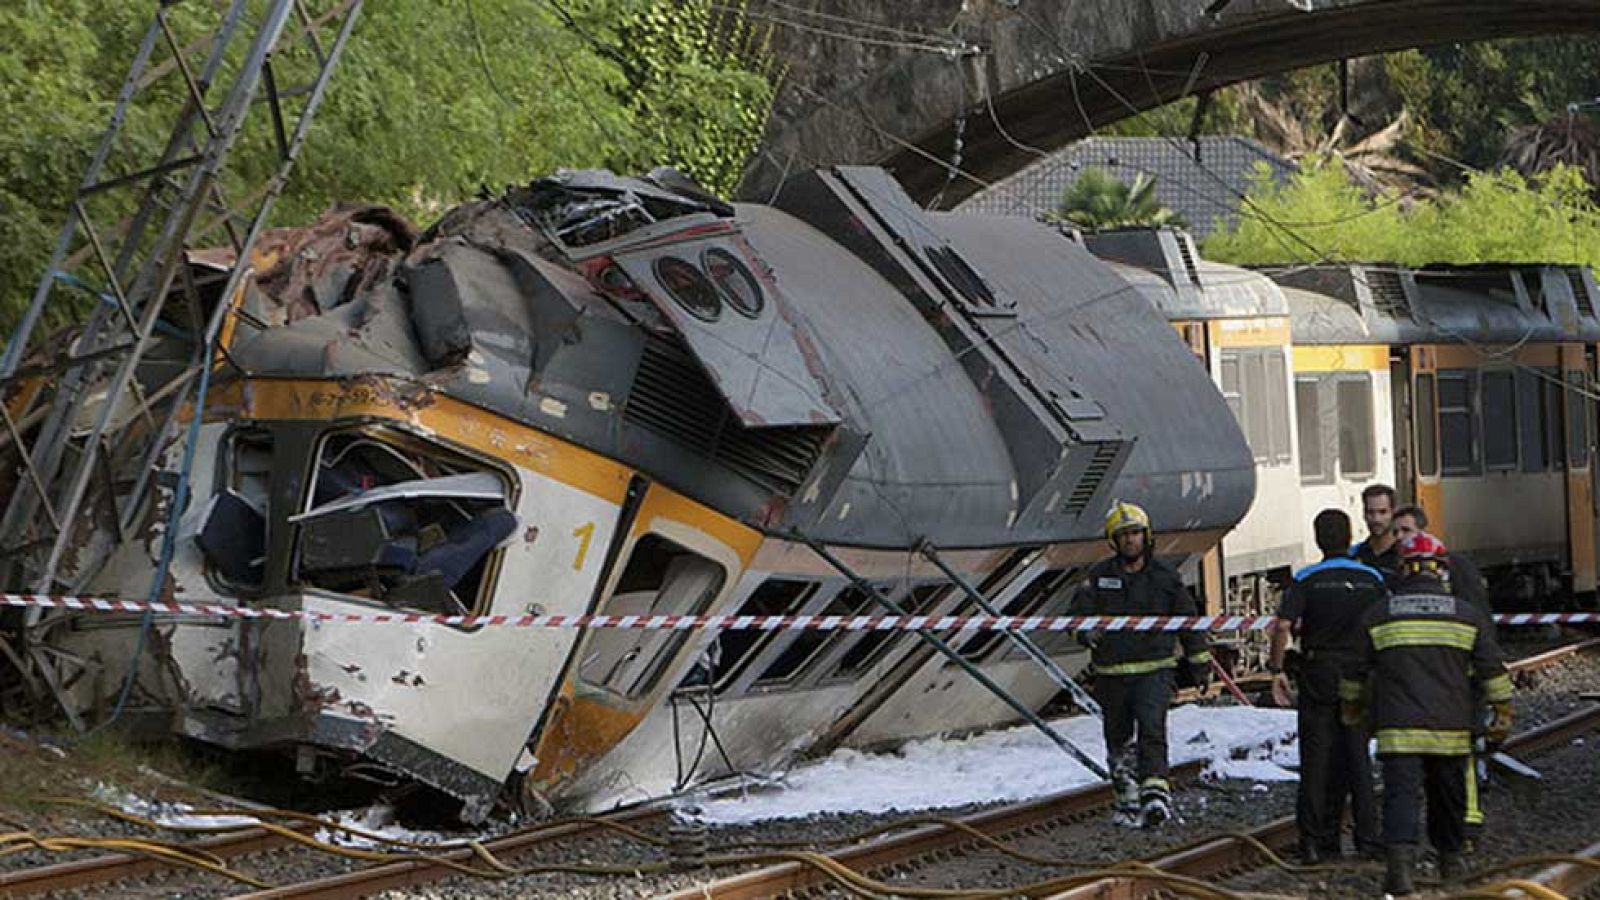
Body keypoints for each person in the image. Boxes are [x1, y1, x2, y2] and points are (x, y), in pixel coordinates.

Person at [1338, 531, 1512, 896]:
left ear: (1402, 569)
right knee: (1448, 797)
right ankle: (1451, 864)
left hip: (1398, 729)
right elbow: (1492, 670)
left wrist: (1352, 709)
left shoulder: (1379, 615)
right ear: (1441, 570)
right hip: (1450, 727)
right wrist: (1502, 711)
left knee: (1401, 796)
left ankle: (1400, 871)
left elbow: (1353, 671)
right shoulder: (1465, 615)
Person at [1072, 501, 1213, 829]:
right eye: (1123, 535)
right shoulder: (1098, 577)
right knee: (1118, 739)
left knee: (1152, 731)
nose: (1130, 540)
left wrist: (1200, 664)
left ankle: (1155, 796)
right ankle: (1127, 798)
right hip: (1112, 675)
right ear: (1113, 541)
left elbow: (1188, 621)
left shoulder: (1165, 577)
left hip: (1155, 670)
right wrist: (1084, 633)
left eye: (1135, 533)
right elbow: (1076, 617)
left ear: (1146, 536)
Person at [1269, 509, 1383, 863]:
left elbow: (1283, 626)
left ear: (1318, 540)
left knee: (1316, 759)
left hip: (1318, 673)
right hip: (1358, 675)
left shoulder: (1307, 578)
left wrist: (1277, 669)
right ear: (1349, 538)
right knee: (1358, 757)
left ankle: (1313, 843)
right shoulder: (1372, 579)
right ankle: (1367, 840)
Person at [1389, 504, 1490, 621]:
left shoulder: (1457, 565)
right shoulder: (1394, 567)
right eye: (1395, 532)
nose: (1399, 537)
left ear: (1424, 531)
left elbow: (1477, 607)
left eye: (1406, 530)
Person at [1352, 484, 1400, 577]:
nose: (1376, 519)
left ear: (1393, 513)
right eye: (1370, 512)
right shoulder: (1355, 554)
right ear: (1364, 514)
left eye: (1383, 512)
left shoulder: (1403, 554)